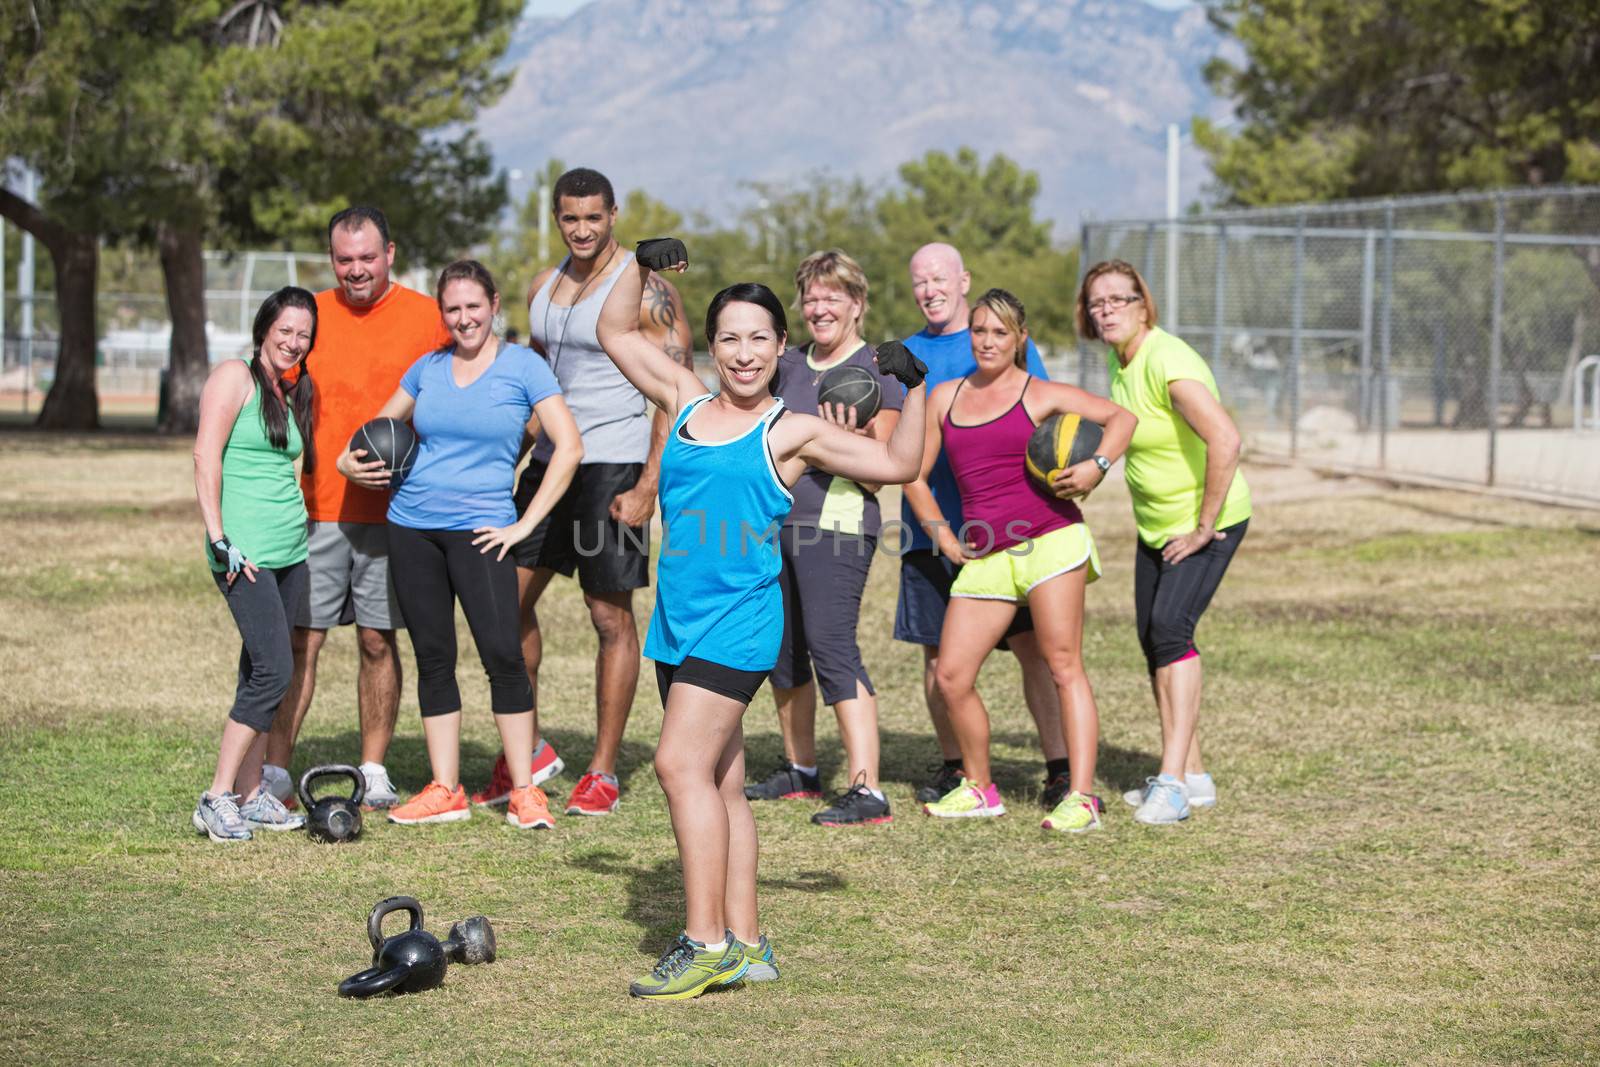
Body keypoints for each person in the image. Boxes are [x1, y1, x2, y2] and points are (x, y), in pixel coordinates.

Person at [595, 238, 928, 999]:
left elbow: (901, 466)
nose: (744, 353)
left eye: (759, 338)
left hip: (740, 626)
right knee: (722, 780)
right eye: (730, 338)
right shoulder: (682, 401)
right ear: (710, 346)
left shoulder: (790, 430)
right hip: (676, 623)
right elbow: (615, 331)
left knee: (677, 766)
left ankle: (704, 940)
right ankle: (746, 940)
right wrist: (638, 267)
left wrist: (919, 390)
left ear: (782, 347)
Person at [471, 168, 695, 818]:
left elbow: (674, 386)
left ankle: (601, 768)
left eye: (593, 217)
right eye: (571, 218)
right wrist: (515, 446)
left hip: (617, 463)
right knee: (500, 606)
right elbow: (535, 377)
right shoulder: (544, 284)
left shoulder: (646, 288)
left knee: (609, 616)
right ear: (558, 217)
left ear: (614, 214)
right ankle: (531, 746)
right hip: (550, 463)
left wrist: (650, 481)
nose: (582, 229)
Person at [335, 261, 582, 829]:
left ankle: (524, 790)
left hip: (484, 532)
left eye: (474, 306)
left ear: (494, 305)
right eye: (453, 309)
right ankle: (445, 788)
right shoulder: (427, 368)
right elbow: (374, 431)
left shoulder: (524, 366)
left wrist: (523, 525)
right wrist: (352, 463)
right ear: (442, 314)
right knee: (434, 659)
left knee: (504, 657)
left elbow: (567, 446)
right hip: (412, 525)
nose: (464, 318)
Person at [904, 288, 1135, 832]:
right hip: (985, 553)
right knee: (953, 675)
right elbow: (914, 474)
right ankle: (980, 787)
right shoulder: (945, 398)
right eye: (979, 331)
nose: (987, 341)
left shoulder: (1041, 393)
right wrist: (941, 533)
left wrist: (1097, 465)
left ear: (1019, 339)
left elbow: (1121, 419)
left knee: (1062, 665)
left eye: (999, 333)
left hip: (1050, 541)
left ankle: (1082, 797)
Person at [261, 207, 451, 810]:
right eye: (344, 259)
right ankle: (274, 774)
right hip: (317, 510)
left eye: (367, 257)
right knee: (301, 642)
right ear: (331, 260)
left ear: (389, 253)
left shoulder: (428, 316)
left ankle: (372, 770)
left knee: (377, 640)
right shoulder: (311, 317)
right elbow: (270, 391)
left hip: (397, 514)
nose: (356, 269)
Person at [897, 242, 1074, 808]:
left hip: (1010, 532)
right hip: (928, 531)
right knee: (939, 659)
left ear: (964, 279)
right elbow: (895, 440)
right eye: (920, 280)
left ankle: (1060, 768)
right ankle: (960, 770)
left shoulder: (1000, 342)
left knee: (1035, 653)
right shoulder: (903, 354)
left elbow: (1048, 422)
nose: (930, 289)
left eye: (940, 277)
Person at [1077, 260, 1252, 826]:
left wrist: (1203, 526)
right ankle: (1194, 775)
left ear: (1143, 304)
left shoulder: (1166, 359)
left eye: (1117, 300)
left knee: (1172, 630)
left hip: (1207, 523)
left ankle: (1172, 783)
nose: (1106, 311)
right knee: (1154, 639)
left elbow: (1226, 437)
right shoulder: (1118, 357)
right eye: (1096, 303)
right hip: (1156, 526)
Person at [744, 249, 904, 826]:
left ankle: (868, 789)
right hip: (773, 523)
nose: (819, 307)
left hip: (837, 525)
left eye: (832, 296)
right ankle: (800, 769)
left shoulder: (876, 369)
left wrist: (843, 440)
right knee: (782, 654)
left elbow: (883, 465)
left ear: (857, 304)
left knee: (833, 648)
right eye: (810, 297)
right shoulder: (784, 365)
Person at [191, 287, 320, 841]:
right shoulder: (233, 377)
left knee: (260, 666)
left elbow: (286, 466)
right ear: (264, 327)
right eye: (285, 330)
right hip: (243, 554)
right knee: (274, 671)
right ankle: (216, 797)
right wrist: (219, 538)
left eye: (304, 335)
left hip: (289, 551)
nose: (293, 342)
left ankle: (250, 794)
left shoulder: (288, 389)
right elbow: (205, 454)